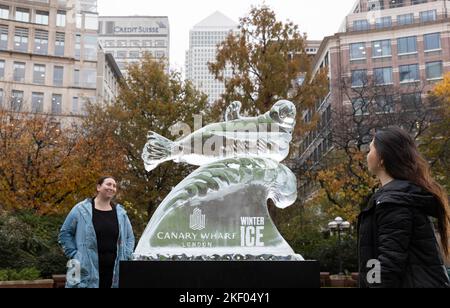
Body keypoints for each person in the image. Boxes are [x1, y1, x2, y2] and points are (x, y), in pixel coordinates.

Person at [358, 127, 450, 288]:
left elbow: (387, 266)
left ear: (381, 158)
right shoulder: (397, 197)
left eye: (370, 149)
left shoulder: (394, 202)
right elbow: (377, 258)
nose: (367, 155)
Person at [59, 176, 135, 288]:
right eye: (108, 184)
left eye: (114, 186)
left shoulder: (121, 213)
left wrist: (126, 254)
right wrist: (75, 254)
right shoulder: (80, 209)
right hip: (84, 267)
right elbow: (65, 233)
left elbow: (130, 237)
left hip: (114, 271)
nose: (112, 188)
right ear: (98, 187)